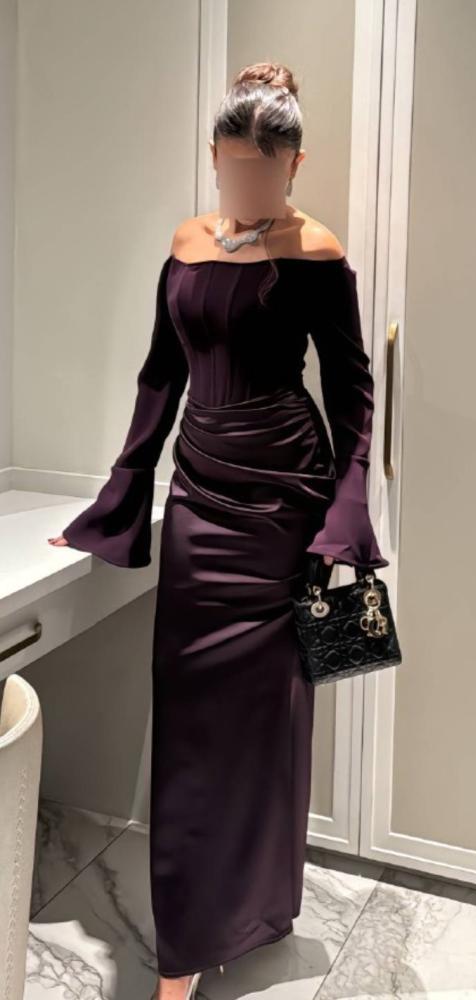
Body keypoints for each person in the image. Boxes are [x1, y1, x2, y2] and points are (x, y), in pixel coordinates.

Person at [48, 62, 389, 1000]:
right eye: (229, 167)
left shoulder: (315, 251)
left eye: (260, 172)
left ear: (293, 166)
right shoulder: (188, 242)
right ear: (213, 157)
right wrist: (119, 494)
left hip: (283, 506)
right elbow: (161, 373)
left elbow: (353, 391)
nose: (242, 185)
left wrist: (347, 511)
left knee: (266, 724)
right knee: (192, 726)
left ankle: (254, 912)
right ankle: (188, 939)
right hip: (202, 497)